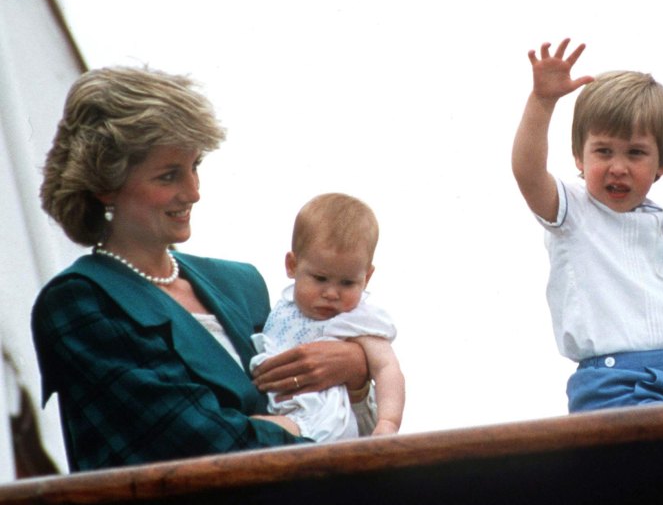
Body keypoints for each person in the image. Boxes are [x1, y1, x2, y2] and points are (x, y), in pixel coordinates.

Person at [31, 66, 372, 471]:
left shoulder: (241, 284)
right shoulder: (80, 301)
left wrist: (356, 371)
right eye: (169, 175)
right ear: (106, 185)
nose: (194, 192)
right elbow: (198, 445)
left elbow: (355, 427)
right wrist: (304, 430)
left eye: (195, 166)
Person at [511, 39, 663, 412]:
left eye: (635, 153)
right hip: (613, 379)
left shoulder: (653, 217)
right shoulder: (574, 210)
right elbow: (528, 173)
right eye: (603, 151)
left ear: (662, 163)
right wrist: (542, 102)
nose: (618, 167)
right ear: (579, 155)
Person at [250, 193, 404, 439]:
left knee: (252, 432)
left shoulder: (357, 319)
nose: (332, 293)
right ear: (292, 266)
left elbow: (387, 368)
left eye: (347, 282)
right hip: (279, 404)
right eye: (320, 278)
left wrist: (388, 422)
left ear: (366, 277)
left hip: (325, 420)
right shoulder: (285, 307)